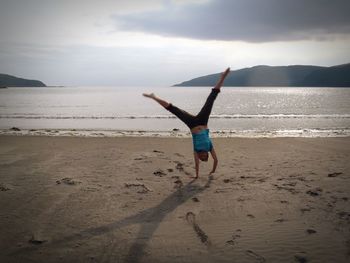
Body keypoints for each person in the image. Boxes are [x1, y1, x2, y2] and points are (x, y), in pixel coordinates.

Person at [143, 68, 230, 178]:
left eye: (201, 157)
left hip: (192, 124)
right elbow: (216, 160)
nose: (202, 156)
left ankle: (153, 97)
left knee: (173, 109)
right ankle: (222, 77)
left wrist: (197, 175)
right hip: (203, 121)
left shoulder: (196, 150)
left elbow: (196, 163)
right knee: (211, 98)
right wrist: (213, 170)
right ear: (207, 155)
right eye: (204, 157)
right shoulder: (209, 147)